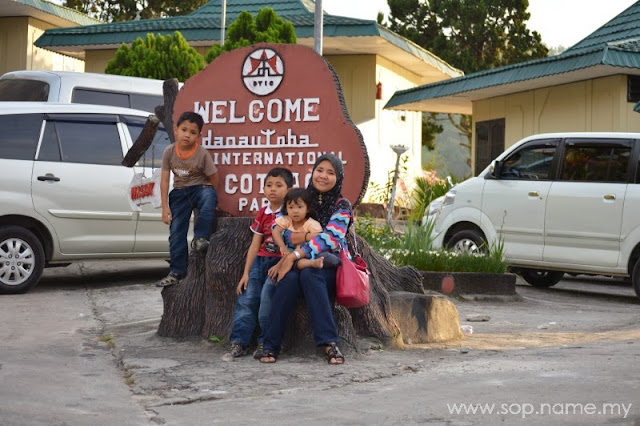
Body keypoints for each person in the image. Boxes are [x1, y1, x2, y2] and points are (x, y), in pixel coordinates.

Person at [260, 153, 351, 365]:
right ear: (312, 172)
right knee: (288, 280)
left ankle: (328, 342)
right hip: (296, 265)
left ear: (338, 178)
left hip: (327, 266)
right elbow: (284, 230)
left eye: (331, 173)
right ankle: (271, 344)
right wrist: (305, 238)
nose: (323, 176)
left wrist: (295, 254)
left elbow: (331, 238)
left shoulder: (341, 205)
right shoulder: (301, 198)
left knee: (311, 274)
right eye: (320, 170)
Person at [222, 167, 294, 361]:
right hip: (258, 262)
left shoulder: (290, 214)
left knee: (266, 302)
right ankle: (239, 342)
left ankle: (265, 342)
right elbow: (255, 245)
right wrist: (246, 273)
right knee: (246, 299)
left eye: (279, 185)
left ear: (289, 189)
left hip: (278, 264)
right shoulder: (263, 213)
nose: (273, 189)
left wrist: (282, 265)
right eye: (269, 185)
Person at [155, 111, 218, 288]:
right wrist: (164, 208)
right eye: (184, 130)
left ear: (199, 135)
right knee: (176, 233)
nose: (187, 135)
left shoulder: (202, 154)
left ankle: (200, 238)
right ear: (176, 130)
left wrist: (213, 195)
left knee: (209, 196)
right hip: (179, 193)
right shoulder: (169, 151)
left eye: (192, 132)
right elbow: (165, 180)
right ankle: (176, 272)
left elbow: (213, 177)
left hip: (200, 188)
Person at [271, 188, 341, 271]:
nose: (295, 211)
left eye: (300, 207)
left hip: (305, 252)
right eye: (291, 207)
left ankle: (314, 263)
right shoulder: (286, 220)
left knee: (302, 262)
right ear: (286, 208)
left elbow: (317, 240)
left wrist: (299, 249)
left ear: (307, 208)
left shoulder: (312, 224)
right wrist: (282, 246)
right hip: (287, 253)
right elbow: (276, 231)